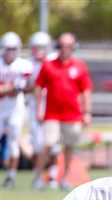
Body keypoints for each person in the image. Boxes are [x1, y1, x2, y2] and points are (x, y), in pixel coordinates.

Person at [32, 32, 92, 190]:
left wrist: (87, 112)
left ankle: (64, 178)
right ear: (58, 46)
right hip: (52, 114)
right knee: (48, 144)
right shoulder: (48, 64)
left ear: (73, 47)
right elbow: (38, 87)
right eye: (63, 45)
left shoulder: (79, 66)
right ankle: (38, 177)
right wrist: (39, 109)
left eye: (69, 46)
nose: (65, 49)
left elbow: (86, 91)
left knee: (69, 147)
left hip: (73, 115)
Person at [26, 31, 60, 188]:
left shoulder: (54, 61)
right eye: (36, 47)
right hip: (34, 108)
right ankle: (39, 176)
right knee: (38, 145)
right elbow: (26, 87)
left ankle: (52, 176)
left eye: (42, 47)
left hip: (53, 107)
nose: (39, 51)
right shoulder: (27, 64)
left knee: (53, 145)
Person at [0, 32, 33, 188]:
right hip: (1, 108)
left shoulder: (23, 65)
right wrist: (10, 88)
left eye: (13, 49)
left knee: (14, 142)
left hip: (15, 108)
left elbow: (22, 87)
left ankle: (11, 176)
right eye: (8, 48)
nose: (10, 52)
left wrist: (8, 88)